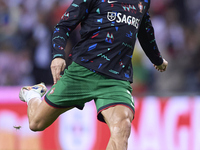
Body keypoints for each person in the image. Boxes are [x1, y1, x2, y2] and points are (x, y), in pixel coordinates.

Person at [19, 0, 168, 149]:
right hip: (82, 71)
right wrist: (58, 55)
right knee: (36, 123)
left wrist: (158, 60)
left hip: (116, 79)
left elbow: (145, 32)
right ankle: (32, 94)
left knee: (122, 127)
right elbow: (63, 25)